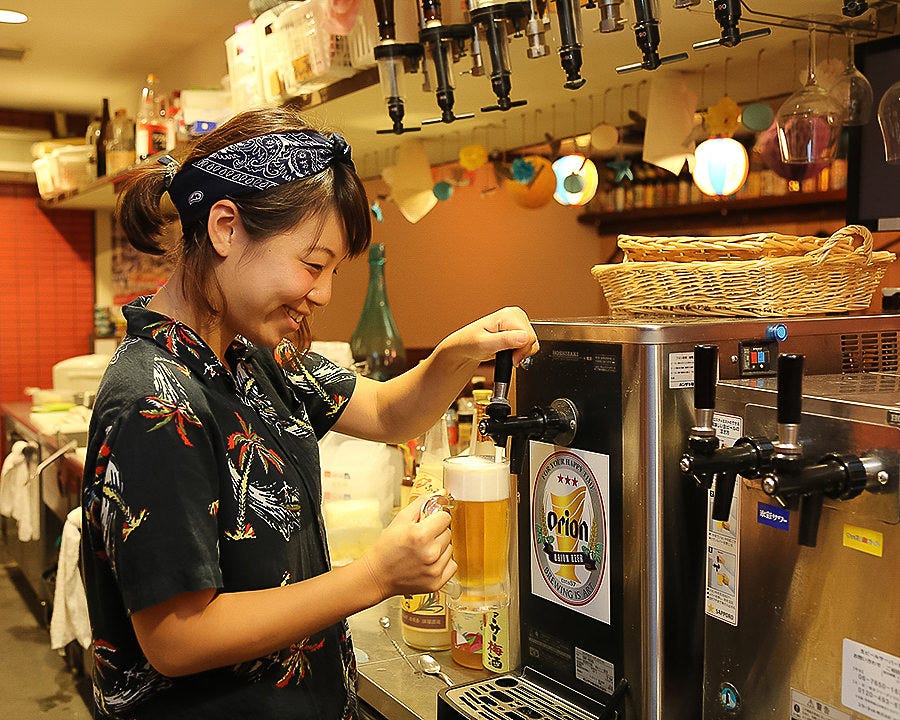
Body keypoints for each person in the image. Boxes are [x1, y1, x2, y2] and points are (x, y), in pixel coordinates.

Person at [81, 104, 539, 720]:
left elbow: (386, 413)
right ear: (225, 228)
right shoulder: (154, 398)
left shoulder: (251, 355)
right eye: (313, 264)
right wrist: (376, 575)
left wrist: (456, 353)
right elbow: (178, 639)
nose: (322, 293)